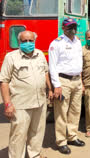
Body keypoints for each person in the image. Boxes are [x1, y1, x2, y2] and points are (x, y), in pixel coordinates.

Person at [0, 30, 53, 158]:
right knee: (18, 134)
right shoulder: (11, 57)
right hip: (20, 103)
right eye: (24, 41)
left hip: (40, 101)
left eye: (31, 41)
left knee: (37, 132)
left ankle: (34, 154)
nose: (28, 43)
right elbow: (4, 81)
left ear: (34, 41)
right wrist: (7, 104)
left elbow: (45, 72)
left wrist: (50, 89)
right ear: (19, 42)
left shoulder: (40, 54)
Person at [49, 18, 85, 154]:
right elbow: (52, 66)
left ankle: (72, 136)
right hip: (63, 81)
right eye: (70, 27)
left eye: (74, 26)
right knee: (61, 113)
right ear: (63, 28)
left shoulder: (78, 42)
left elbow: (78, 64)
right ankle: (61, 141)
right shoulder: (56, 43)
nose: (73, 29)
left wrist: (81, 82)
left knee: (75, 111)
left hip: (76, 80)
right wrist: (56, 85)